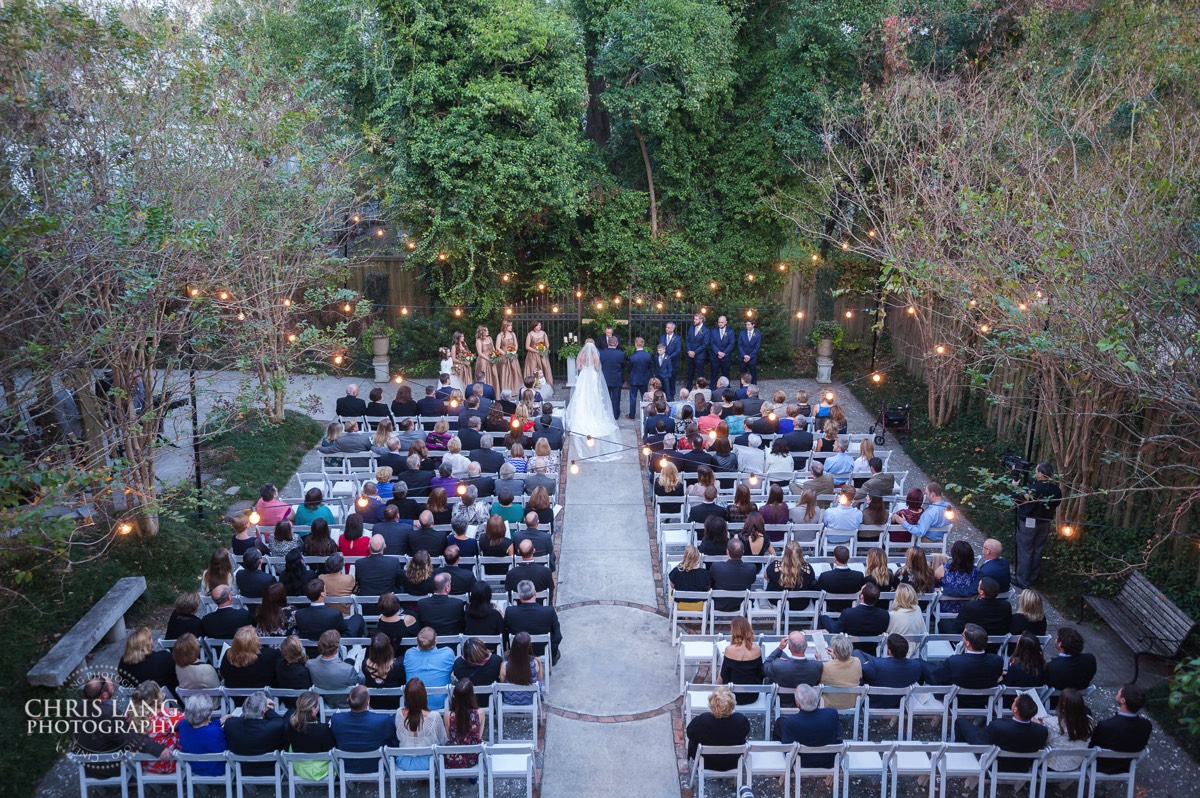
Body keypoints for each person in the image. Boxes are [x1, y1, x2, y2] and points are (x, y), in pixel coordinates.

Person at [954, 693, 1048, 772]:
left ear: (1015, 709)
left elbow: (980, 741)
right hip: (1022, 766)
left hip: (994, 764)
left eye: (1015, 701)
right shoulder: (1042, 731)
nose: (1013, 701)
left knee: (961, 722)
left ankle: (960, 756)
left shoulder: (999, 726)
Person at [563, 339, 623, 460]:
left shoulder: (581, 355)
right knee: (594, 397)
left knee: (581, 396)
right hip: (592, 376)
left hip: (584, 376)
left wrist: (584, 367)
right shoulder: (595, 355)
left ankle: (581, 415)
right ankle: (594, 414)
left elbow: (578, 367)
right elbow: (597, 368)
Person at [1013, 461, 1063, 588]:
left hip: (1029, 524)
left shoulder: (1033, 489)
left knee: (1026, 550)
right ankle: (1033, 578)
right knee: (1038, 550)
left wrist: (1015, 487)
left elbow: (1018, 501)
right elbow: (1056, 504)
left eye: (1036, 471)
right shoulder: (1056, 490)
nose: (1035, 473)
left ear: (1040, 473)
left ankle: (1023, 580)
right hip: (1045, 523)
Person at [330, 685, 397, 773]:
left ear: (347, 700)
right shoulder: (382, 720)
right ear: (368, 702)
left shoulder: (336, 719)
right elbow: (393, 738)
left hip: (347, 765)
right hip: (376, 765)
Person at [1090, 683, 1153, 773]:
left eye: (1119, 692)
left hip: (1100, 766)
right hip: (1124, 767)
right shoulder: (1147, 725)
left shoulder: (1106, 726)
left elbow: (1091, 745)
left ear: (1123, 700)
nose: (1117, 692)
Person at [686, 686, 750, 772]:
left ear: (711, 704)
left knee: (694, 738)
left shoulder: (702, 721)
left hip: (706, 761)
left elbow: (689, 733)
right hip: (733, 762)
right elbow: (746, 733)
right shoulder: (741, 721)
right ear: (732, 704)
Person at [126, 681, 183, 776]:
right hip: (170, 763)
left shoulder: (129, 717)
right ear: (157, 698)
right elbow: (190, 723)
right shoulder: (169, 715)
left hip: (145, 765)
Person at [223, 692, 286, 776]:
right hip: (272, 768)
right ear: (264, 711)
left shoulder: (230, 724)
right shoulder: (275, 726)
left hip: (243, 770)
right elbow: (279, 721)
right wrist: (268, 709)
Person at [777, 684, 842, 767]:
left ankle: (780, 765)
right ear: (816, 698)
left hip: (802, 762)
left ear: (798, 704)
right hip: (828, 760)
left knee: (779, 723)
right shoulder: (832, 714)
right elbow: (838, 733)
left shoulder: (791, 722)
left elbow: (787, 747)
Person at [926, 624, 1004, 691]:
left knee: (921, 665)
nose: (962, 636)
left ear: (967, 643)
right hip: (985, 700)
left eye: (963, 635)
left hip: (956, 700)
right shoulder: (997, 660)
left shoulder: (954, 661)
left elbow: (937, 676)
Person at [505, 579, 562, 665]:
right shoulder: (548, 611)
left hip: (519, 649)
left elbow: (506, 633)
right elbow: (557, 635)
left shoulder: (510, 612)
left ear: (519, 596)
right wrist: (552, 652)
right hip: (541, 649)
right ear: (535, 593)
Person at [285, 692, 336, 782]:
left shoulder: (290, 722)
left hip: (299, 766)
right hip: (318, 769)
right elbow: (330, 750)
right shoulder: (323, 730)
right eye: (318, 705)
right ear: (313, 710)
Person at [857, 635, 923, 702]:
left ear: (889, 651)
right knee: (858, 653)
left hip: (874, 700)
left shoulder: (875, 665)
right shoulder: (916, 666)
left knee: (857, 654)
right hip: (898, 700)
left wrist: (868, 663)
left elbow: (861, 671)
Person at [942, 575, 1012, 635]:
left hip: (974, 642)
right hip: (997, 644)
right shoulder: (1006, 606)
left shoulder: (970, 606)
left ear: (981, 592)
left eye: (978, 586)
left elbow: (957, 627)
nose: (977, 587)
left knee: (943, 623)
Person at [177, 694, 226, 777]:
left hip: (193, 767)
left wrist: (220, 721)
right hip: (216, 769)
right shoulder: (216, 733)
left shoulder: (182, 725)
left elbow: (202, 729)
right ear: (208, 715)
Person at [718, 617, 763, 704]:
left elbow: (724, 675)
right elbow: (760, 674)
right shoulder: (757, 649)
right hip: (752, 695)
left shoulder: (729, 650)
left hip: (732, 696)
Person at [820, 582, 889, 637]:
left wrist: (824, 618)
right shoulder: (884, 615)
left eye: (861, 591)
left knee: (823, 618)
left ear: (861, 596)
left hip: (851, 649)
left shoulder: (848, 613)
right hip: (872, 650)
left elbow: (835, 630)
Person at [119, 626, 177, 691]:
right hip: (163, 697)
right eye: (150, 638)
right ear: (148, 644)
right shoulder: (163, 659)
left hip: (138, 699)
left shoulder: (123, 663)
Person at [935, 540, 981, 616]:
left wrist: (940, 589)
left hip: (944, 608)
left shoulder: (944, 569)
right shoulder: (976, 571)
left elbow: (933, 582)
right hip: (966, 608)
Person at [710, 538, 757, 612]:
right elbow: (752, 581)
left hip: (720, 604)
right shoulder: (751, 568)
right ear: (743, 552)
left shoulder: (716, 567)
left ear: (727, 551)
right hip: (742, 604)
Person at [1045, 627, 1098, 691]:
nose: (1055, 639)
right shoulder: (1090, 659)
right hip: (1079, 693)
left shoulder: (1053, 667)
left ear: (1060, 644)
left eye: (1056, 638)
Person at [814, 545, 865, 612]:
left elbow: (818, 592)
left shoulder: (825, 576)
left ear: (835, 559)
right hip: (851, 608)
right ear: (848, 558)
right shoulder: (858, 576)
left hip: (830, 608)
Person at [499, 630, 544, 706]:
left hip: (509, 699)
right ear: (529, 646)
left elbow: (502, 682)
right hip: (530, 699)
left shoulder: (504, 665)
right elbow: (539, 679)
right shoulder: (536, 662)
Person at [817, 634, 862, 709]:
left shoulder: (826, 666)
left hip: (828, 704)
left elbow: (820, 681)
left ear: (835, 651)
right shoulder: (857, 661)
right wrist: (836, 656)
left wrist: (818, 662)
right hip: (850, 703)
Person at [737, 319, 761, 384]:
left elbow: (757, 347)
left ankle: (753, 388)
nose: (747, 326)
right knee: (742, 374)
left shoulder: (758, 334)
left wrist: (749, 356)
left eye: (749, 324)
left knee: (753, 374)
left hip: (752, 358)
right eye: (746, 324)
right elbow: (739, 345)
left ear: (753, 325)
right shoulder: (742, 333)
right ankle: (742, 388)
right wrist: (744, 355)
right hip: (743, 357)